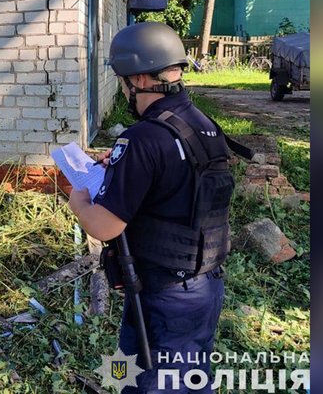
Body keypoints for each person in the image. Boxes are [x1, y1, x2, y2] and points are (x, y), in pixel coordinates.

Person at [67, 22, 234, 393]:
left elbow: (105, 227)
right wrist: (123, 171)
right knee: (189, 377)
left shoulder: (143, 137)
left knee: (150, 382)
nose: (124, 89)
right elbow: (177, 188)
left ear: (139, 80)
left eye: (123, 81)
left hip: (163, 296)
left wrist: (79, 199)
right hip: (204, 287)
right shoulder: (202, 125)